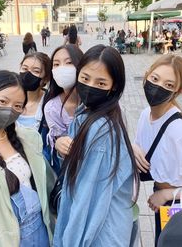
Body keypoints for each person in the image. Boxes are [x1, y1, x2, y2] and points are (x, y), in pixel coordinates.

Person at [53, 44, 140, 246]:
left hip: (98, 236)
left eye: (101, 83)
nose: (90, 86)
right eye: (85, 78)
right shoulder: (89, 113)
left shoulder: (99, 129)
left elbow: (88, 202)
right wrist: (61, 146)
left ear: (114, 86)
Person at [133, 54, 182, 246]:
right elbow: (141, 146)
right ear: (146, 76)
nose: (158, 86)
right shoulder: (146, 115)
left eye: (169, 85)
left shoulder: (180, 131)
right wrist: (133, 147)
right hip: (165, 206)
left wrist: (167, 195)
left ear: (180, 91)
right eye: (154, 79)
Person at [0, 70, 55, 246]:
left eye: (17, 106)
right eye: (3, 101)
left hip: (39, 232)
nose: (9, 110)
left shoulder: (29, 139)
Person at [43, 44, 83, 174]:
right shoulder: (52, 108)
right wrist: (59, 143)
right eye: (56, 64)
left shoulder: (95, 100)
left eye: (69, 62)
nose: (62, 68)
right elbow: (66, 153)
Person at [17, 52, 51, 131]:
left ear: (46, 78)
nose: (28, 74)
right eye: (24, 69)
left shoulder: (49, 104)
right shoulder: (9, 96)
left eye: (36, 71)